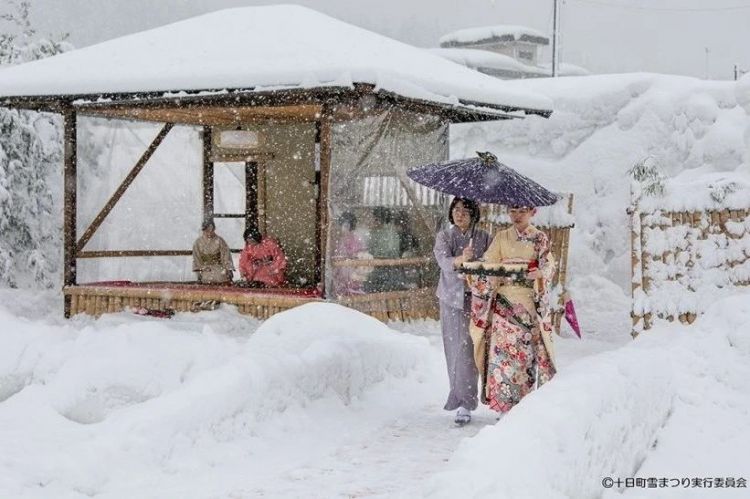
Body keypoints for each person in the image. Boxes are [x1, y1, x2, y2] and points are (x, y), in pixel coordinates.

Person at [469, 205, 557, 416]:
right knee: (502, 358)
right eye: (513, 211)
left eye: (522, 211)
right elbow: (488, 266)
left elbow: (549, 265)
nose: (517, 216)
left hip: (527, 305)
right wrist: (471, 266)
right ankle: (503, 410)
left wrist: (540, 274)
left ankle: (523, 411)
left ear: (533, 212)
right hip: (504, 306)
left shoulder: (540, 238)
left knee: (525, 359)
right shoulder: (501, 237)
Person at [433, 197, 491, 426]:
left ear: (474, 215)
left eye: (466, 211)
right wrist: (460, 260)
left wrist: (475, 266)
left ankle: (475, 399)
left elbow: (491, 262)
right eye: (456, 210)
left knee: (474, 350)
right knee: (456, 350)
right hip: (451, 300)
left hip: (477, 300)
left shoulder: (484, 237)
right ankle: (462, 401)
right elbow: (443, 261)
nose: (460, 215)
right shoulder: (445, 236)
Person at [364, 206, 403, 292]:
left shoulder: (382, 232)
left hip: (383, 268)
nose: (372, 220)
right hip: (392, 269)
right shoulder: (392, 231)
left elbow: (377, 252)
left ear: (378, 219)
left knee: (369, 287)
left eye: (373, 218)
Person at [332, 211, 366, 296]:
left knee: (349, 294)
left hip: (350, 273)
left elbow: (356, 255)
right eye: (342, 225)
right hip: (342, 272)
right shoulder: (341, 238)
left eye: (345, 226)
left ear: (349, 226)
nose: (342, 228)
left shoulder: (354, 239)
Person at [192, 219, 234, 284]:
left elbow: (226, 255)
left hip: (219, 267)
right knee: (206, 278)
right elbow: (196, 258)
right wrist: (201, 269)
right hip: (205, 268)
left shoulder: (220, 240)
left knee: (222, 277)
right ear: (203, 230)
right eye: (207, 231)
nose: (209, 233)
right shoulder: (198, 242)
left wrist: (228, 269)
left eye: (212, 230)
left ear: (214, 229)